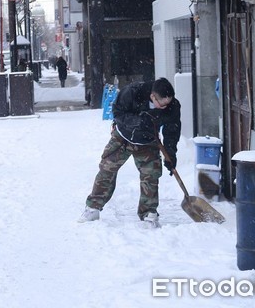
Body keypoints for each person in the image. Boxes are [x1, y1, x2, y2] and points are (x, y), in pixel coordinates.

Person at [78, 78, 181, 228]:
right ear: (153, 96)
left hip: (148, 141)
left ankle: (149, 213)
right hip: (123, 137)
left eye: (168, 103)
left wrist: (170, 154)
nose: (165, 107)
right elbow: (118, 113)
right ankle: (93, 208)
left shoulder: (172, 106)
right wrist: (138, 121)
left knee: (151, 174)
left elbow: (172, 131)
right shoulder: (133, 92)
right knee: (107, 168)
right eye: (162, 104)